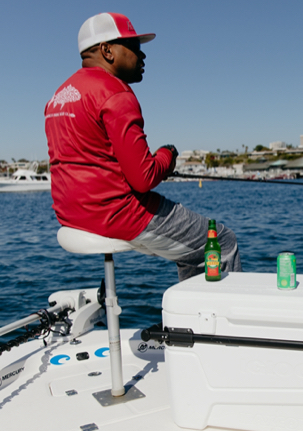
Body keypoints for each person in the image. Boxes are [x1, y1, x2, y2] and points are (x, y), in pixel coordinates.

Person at [45, 12, 242, 281]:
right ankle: (209, 319)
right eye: (135, 47)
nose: (143, 56)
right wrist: (167, 155)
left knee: (190, 249)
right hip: (120, 215)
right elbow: (143, 178)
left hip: (71, 216)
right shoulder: (114, 92)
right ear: (107, 50)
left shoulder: (58, 97)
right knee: (222, 242)